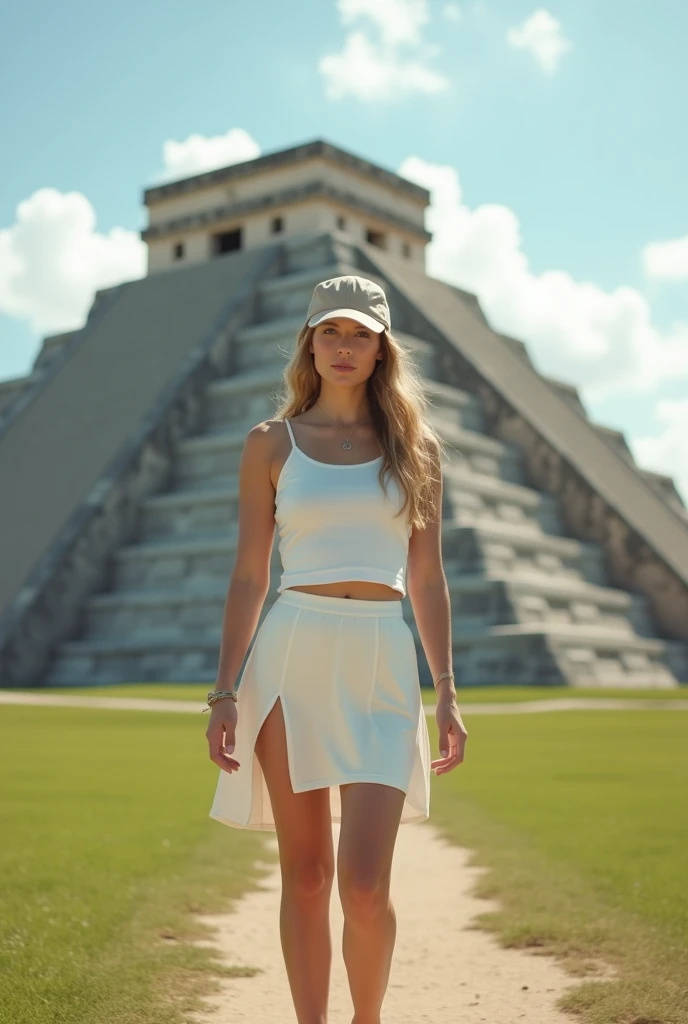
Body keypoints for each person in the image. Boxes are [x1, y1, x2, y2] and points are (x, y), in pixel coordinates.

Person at [204, 274, 468, 1024]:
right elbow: (251, 574)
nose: (344, 347)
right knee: (310, 875)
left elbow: (427, 576)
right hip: (293, 657)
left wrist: (447, 687)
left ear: (382, 348)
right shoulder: (270, 445)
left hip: (384, 660)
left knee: (364, 884)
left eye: (360, 334)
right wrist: (224, 692)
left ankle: (368, 1019)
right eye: (331, 332)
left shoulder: (417, 448)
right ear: (309, 343)